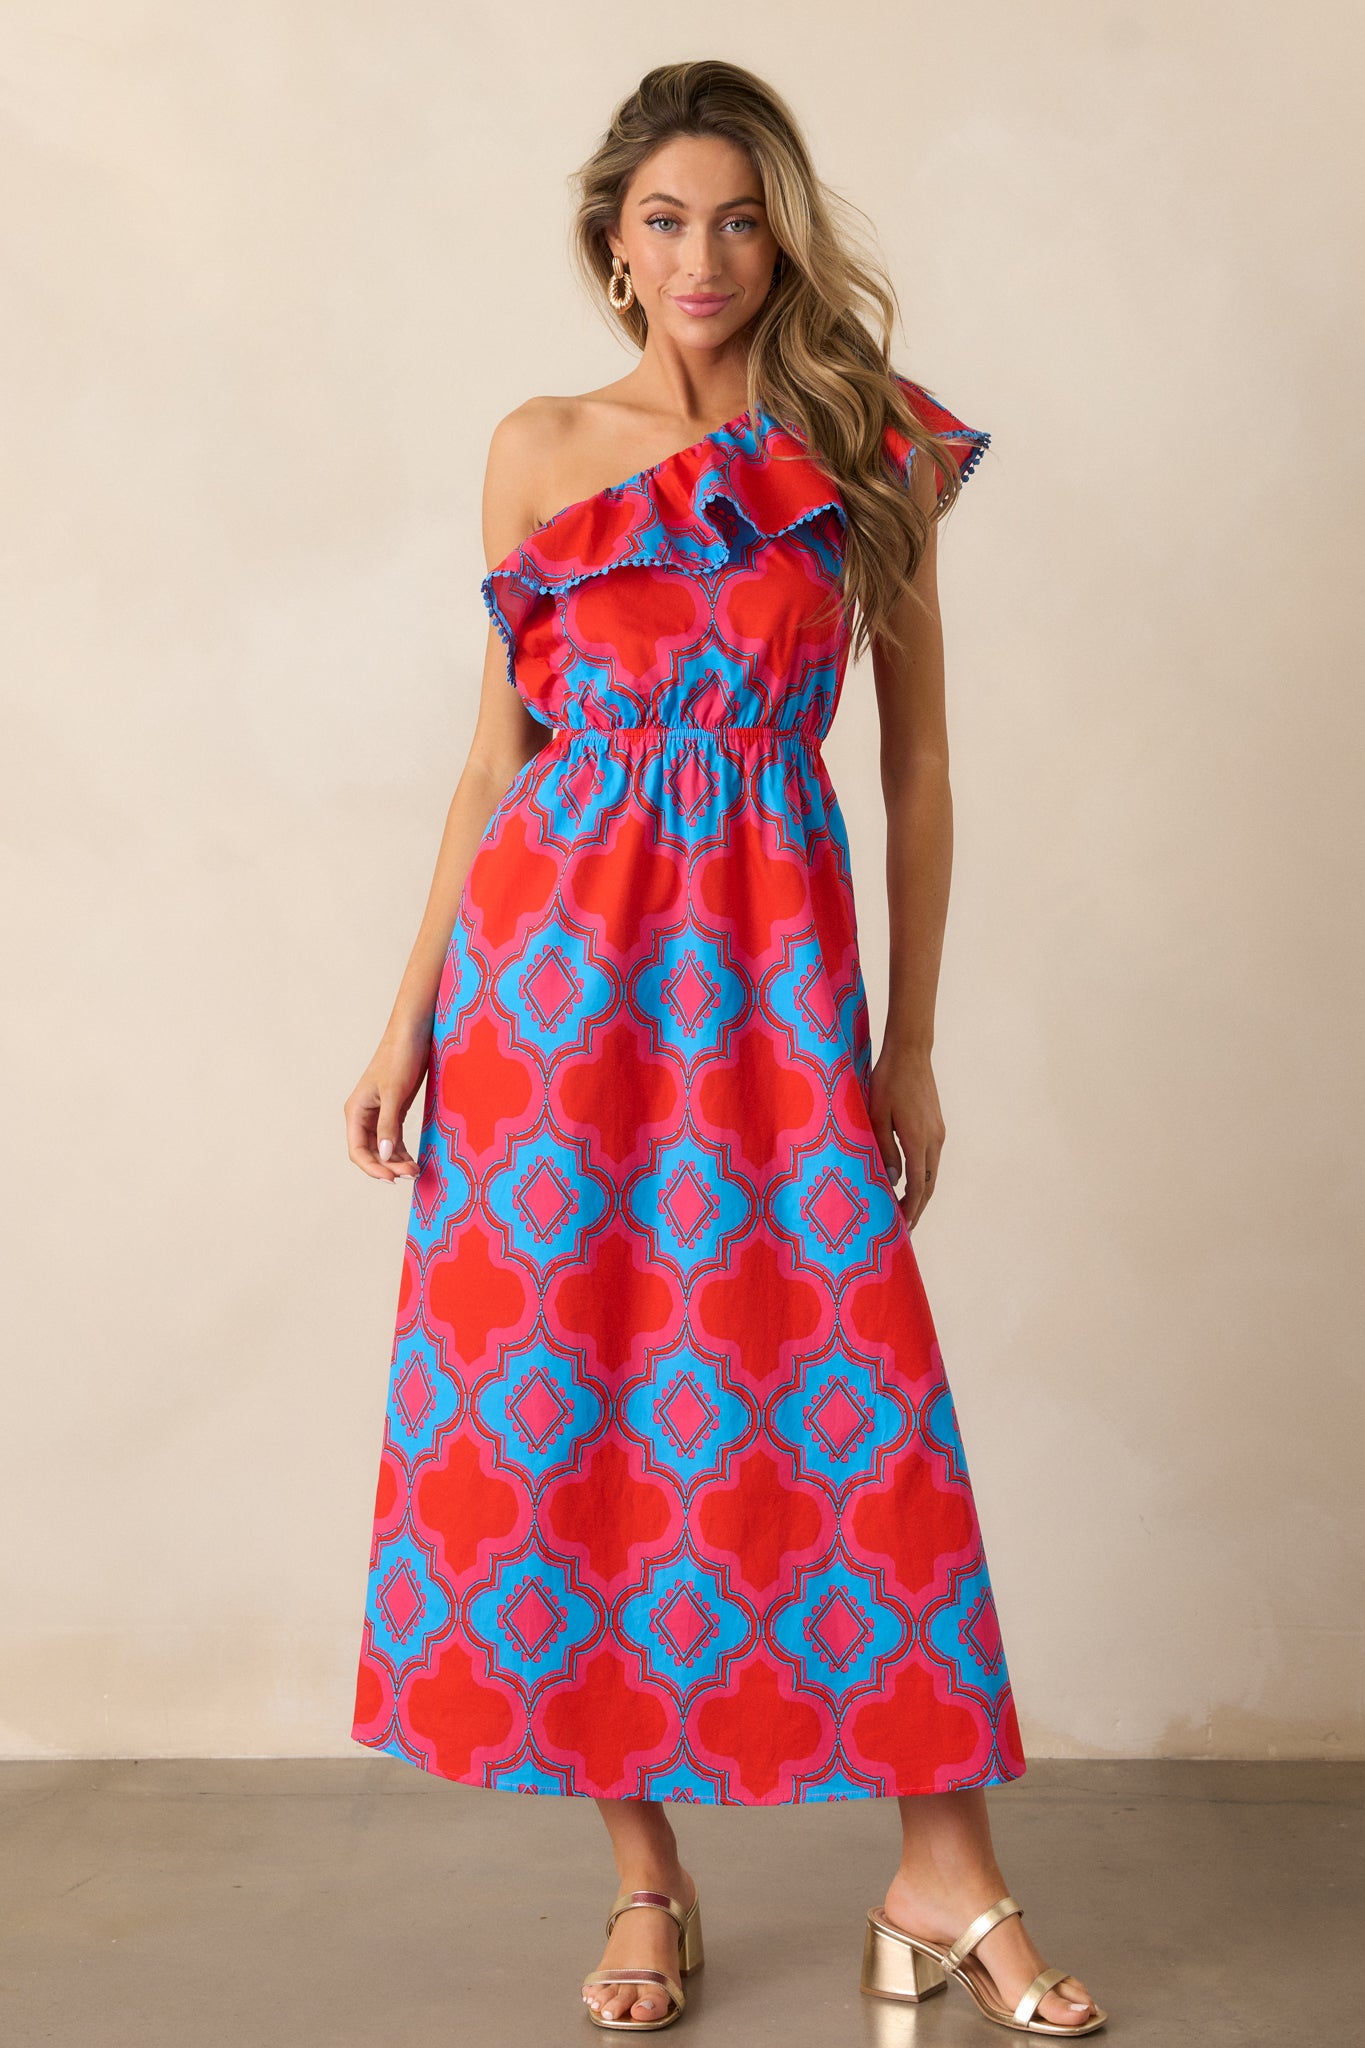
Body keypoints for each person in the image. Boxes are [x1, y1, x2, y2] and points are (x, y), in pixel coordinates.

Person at [344, 57, 1105, 2040]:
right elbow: (496, 751)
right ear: (611, 237)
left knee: (841, 1394)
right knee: (562, 1403)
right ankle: (643, 1876)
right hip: (545, 1001)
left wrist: (908, 1042)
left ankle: (940, 1865)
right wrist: (412, 1012)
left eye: (739, 215)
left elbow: (920, 771)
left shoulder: (859, 445)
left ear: (783, 232)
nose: (701, 254)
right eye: (665, 217)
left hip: (767, 999)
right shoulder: (535, 446)